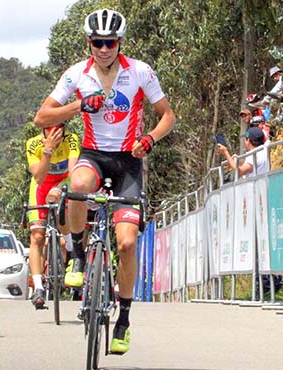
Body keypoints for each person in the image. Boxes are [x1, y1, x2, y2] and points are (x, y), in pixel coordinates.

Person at [34, 8, 175, 354]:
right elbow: (42, 116)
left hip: (129, 162)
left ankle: (123, 319)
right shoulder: (76, 74)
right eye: (97, 42)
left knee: (126, 244)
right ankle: (78, 254)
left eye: (110, 42)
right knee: (78, 186)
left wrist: (151, 139)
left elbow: (167, 115)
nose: (104, 48)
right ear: (89, 43)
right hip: (93, 155)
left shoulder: (140, 72)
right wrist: (79, 106)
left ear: (120, 42)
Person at [26, 123, 80, 309]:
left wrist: (59, 189)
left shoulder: (71, 140)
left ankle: (71, 250)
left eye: (59, 128)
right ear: (43, 130)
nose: (55, 133)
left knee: (63, 213)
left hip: (63, 183)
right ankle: (39, 288)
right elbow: (38, 178)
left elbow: (73, 173)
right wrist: (47, 151)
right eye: (50, 129)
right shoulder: (33, 144)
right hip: (41, 187)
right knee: (37, 236)